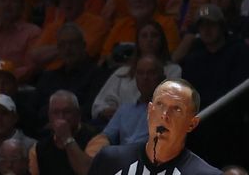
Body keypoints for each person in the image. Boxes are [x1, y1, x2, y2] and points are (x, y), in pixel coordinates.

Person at [87, 79, 220, 175]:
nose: (164, 115)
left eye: (177, 109)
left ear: (192, 124)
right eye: (160, 104)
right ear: (149, 111)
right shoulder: (109, 160)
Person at [84, 55, 166, 158]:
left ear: (162, 78)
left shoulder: (169, 111)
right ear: (135, 78)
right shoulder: (125, 109)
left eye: (151, 73)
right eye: (140, 73)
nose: (145, 77)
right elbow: (106, 136)